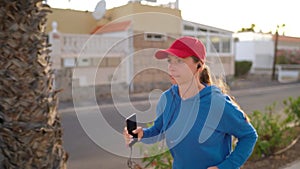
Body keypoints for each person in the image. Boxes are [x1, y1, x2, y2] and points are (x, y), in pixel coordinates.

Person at [123, 36, 258, 169]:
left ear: (199, 66)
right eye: (170, 61)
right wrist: (142, 134)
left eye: (180, 61)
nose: (171, 67)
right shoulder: (167, 99)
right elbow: (159, 129)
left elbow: (249, 136)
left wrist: (227, 166)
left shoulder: (217, 104)